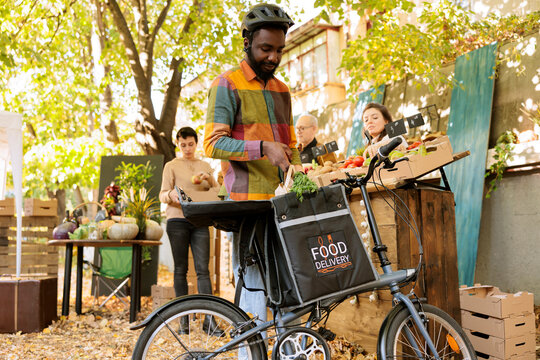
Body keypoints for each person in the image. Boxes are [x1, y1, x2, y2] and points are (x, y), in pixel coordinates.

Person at [203, 3, 302, 330]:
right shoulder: (226, 84)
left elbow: (291, 147)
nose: (273, 57)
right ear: (247, 42)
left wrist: (299, 170)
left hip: (284, 205)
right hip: (247, 206)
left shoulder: (282, 90)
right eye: (265, 49)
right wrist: (263, 148)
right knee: (254, 295)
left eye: (279, 50)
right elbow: (214, 143)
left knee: (293, 290)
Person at [159, 126, 223, 335]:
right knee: (180, 270)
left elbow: (215, 190)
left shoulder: (204, 165)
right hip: (177, 220)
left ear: (196, 143)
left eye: (191, 144)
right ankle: (183, 320)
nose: (187, 148)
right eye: (183, 144)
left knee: (204, 270)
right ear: (178, 144)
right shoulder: (171, 166)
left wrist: (207, 178)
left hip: (200, 221)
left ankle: (209, 320)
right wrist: (171, 196)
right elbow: (162, 194)